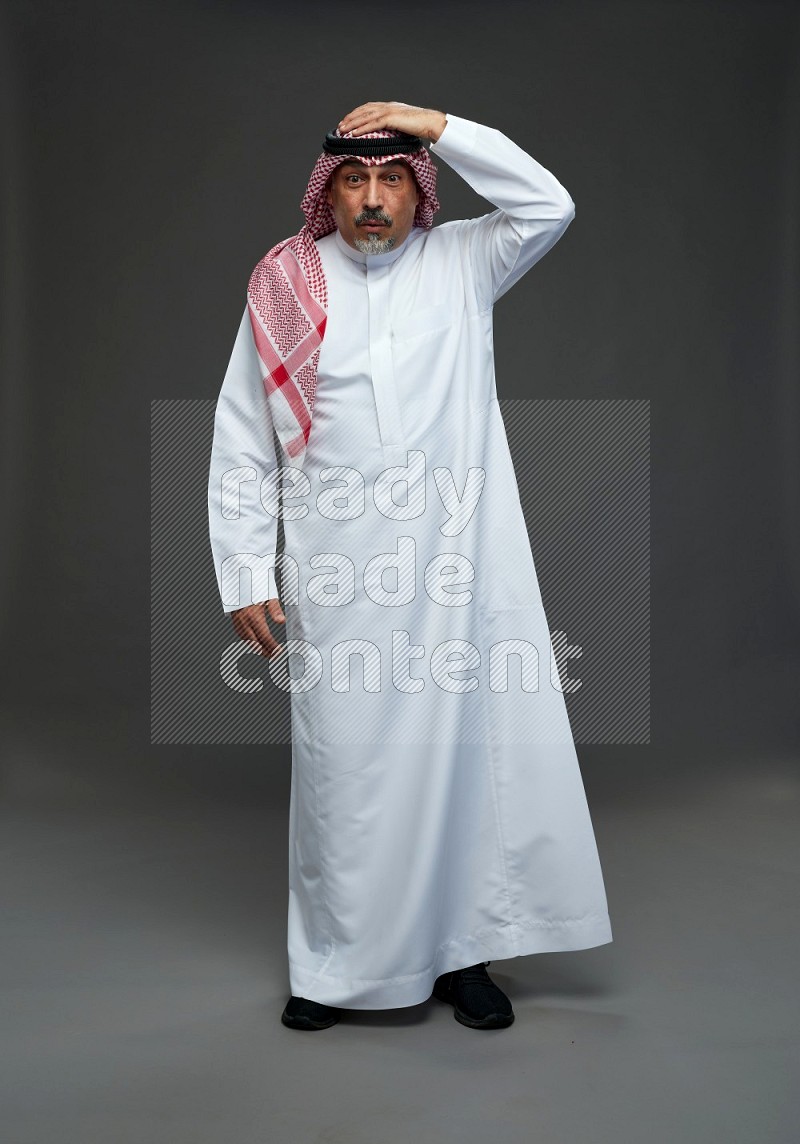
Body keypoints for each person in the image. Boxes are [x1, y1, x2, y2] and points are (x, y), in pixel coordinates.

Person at [207, 101, 612, 1032]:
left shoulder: (463, 262)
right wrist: (245, 572)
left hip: (458, 569)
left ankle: (463, 956)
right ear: (329, 195)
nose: (375, 200)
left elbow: (549, 204)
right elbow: (241, 440)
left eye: (392, 179)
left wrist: (438, 123)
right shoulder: (283, 286)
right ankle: (335, 965)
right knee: (345, 771)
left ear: (417, 188)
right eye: (355, 182)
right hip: (341, 573)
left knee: (466, 764)